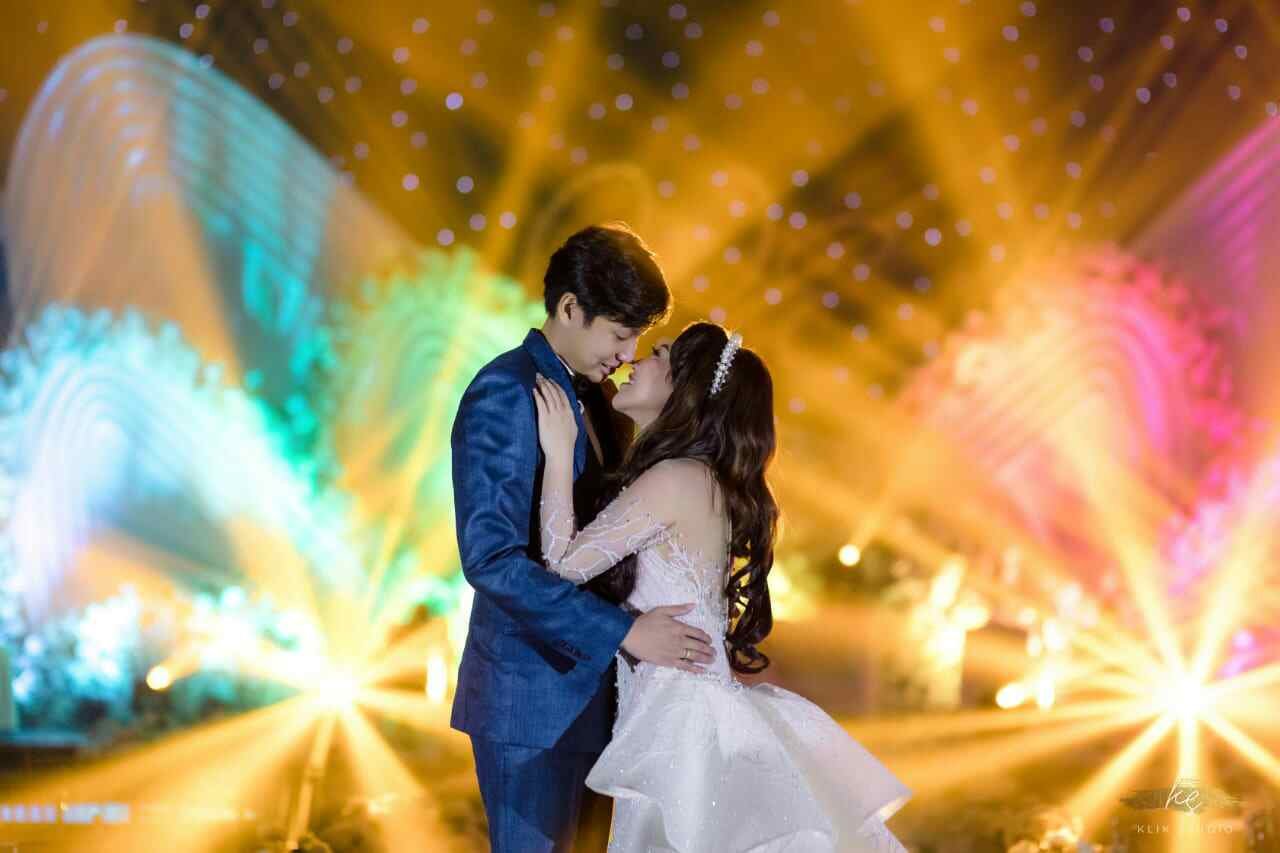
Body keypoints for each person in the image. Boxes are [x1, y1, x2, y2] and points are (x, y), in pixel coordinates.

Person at [531, 321, 913, 852]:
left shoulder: (678, 478)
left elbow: (561, 563)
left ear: (685, 391)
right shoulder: (694, 477)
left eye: (659, 353)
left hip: (682, 728)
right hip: (679, 713)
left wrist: (556, 452)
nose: (635, 360)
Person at [450, 224, 717, 853]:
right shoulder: (506, 391)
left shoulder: (603, 403)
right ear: (570, 308)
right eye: (620, 335)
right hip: (530, 703)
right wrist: (623, 632)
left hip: (607, 701)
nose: (627, 354)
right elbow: (491, 559)